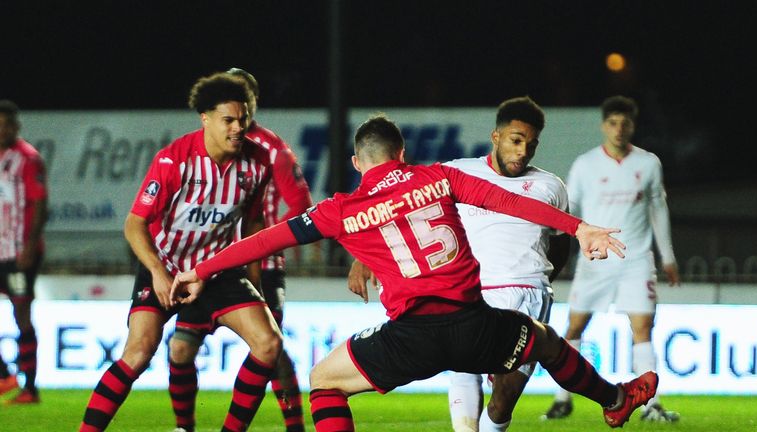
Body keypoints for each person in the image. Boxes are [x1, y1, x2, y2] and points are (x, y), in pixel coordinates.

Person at [172, 114, 659, 431]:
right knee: (546, 341)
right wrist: (580, 228)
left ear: (357, 163)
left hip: (411, 336)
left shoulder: (341, 209)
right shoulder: (440, 178)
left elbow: (268, 237)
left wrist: (202, 269)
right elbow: (511, 201)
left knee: (323, 382)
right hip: (475, 324)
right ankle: (614, 399)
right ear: (401, 154)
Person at [347, 97, 570, 432]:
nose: (523, 151)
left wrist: (542, 280)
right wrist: (362, 257)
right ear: (496, 137)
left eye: (531, 144)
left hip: (528, 292)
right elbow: (405, 208)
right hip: (469, 292)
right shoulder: (458, 171)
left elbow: (561, 245)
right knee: (463, 367)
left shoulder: (551, 186)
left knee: (504, 397)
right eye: (516, 140)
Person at [79, 73, 283, 432]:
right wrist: (158, 272)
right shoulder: (175, 160)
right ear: (205, 118)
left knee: (268, 343)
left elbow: (253, 224)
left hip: (218, 270)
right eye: (229, 120)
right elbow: (134, 224)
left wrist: (255, 285)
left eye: (244, 118)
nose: (239, 128)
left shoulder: (259, 162)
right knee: (139, 353)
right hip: (168, 267)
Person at [165, 68, 312, 432]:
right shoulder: (203, 147)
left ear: (251, 103)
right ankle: (185, 427)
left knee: (272, 347)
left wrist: (270, 247)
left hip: (263, 263)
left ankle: (294, 426)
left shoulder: (271, 149)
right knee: (180, 348)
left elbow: (300, 205)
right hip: (209, 268)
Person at [543, 95, 680, 422]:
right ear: (604, 126)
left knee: (642, 327)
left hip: (636, 261)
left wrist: (669, 255)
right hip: (596, 260)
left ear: (633, 125)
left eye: (626, 123)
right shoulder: (585, 164)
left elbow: (658, 208)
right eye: (613, 123)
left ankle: (652, 405)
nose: (619, 129)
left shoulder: (648, 163)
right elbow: (569, 211)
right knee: (575, 325)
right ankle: (562, 399)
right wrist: (558, 250)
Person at [0, 100, 47, 404]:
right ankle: (5, 375)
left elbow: (41, 204)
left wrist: (29, 247)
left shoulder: (28, 158)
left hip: (19, 252)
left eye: (6, 124)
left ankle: (29, 388)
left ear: (16, 126)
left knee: (21, 314)